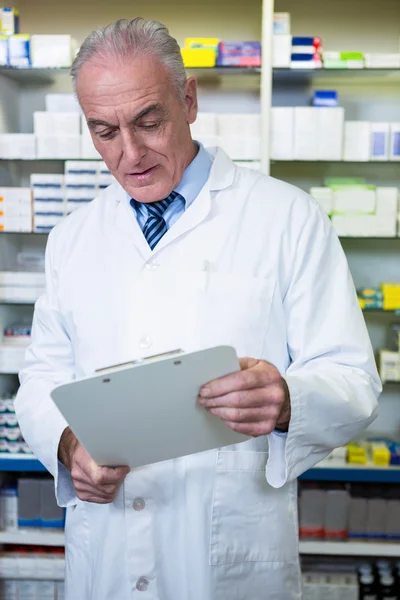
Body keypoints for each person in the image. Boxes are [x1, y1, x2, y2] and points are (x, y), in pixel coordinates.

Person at [15, 17, 381, 600]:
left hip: (227, 560)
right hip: (105, 553)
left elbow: (354, 381)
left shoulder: (287, 219)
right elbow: (39, 379)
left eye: (148, 122)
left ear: (188, 101)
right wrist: (67, 444)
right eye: (104, 131)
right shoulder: (73, 237)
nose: (129, 153)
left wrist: (287, 399)